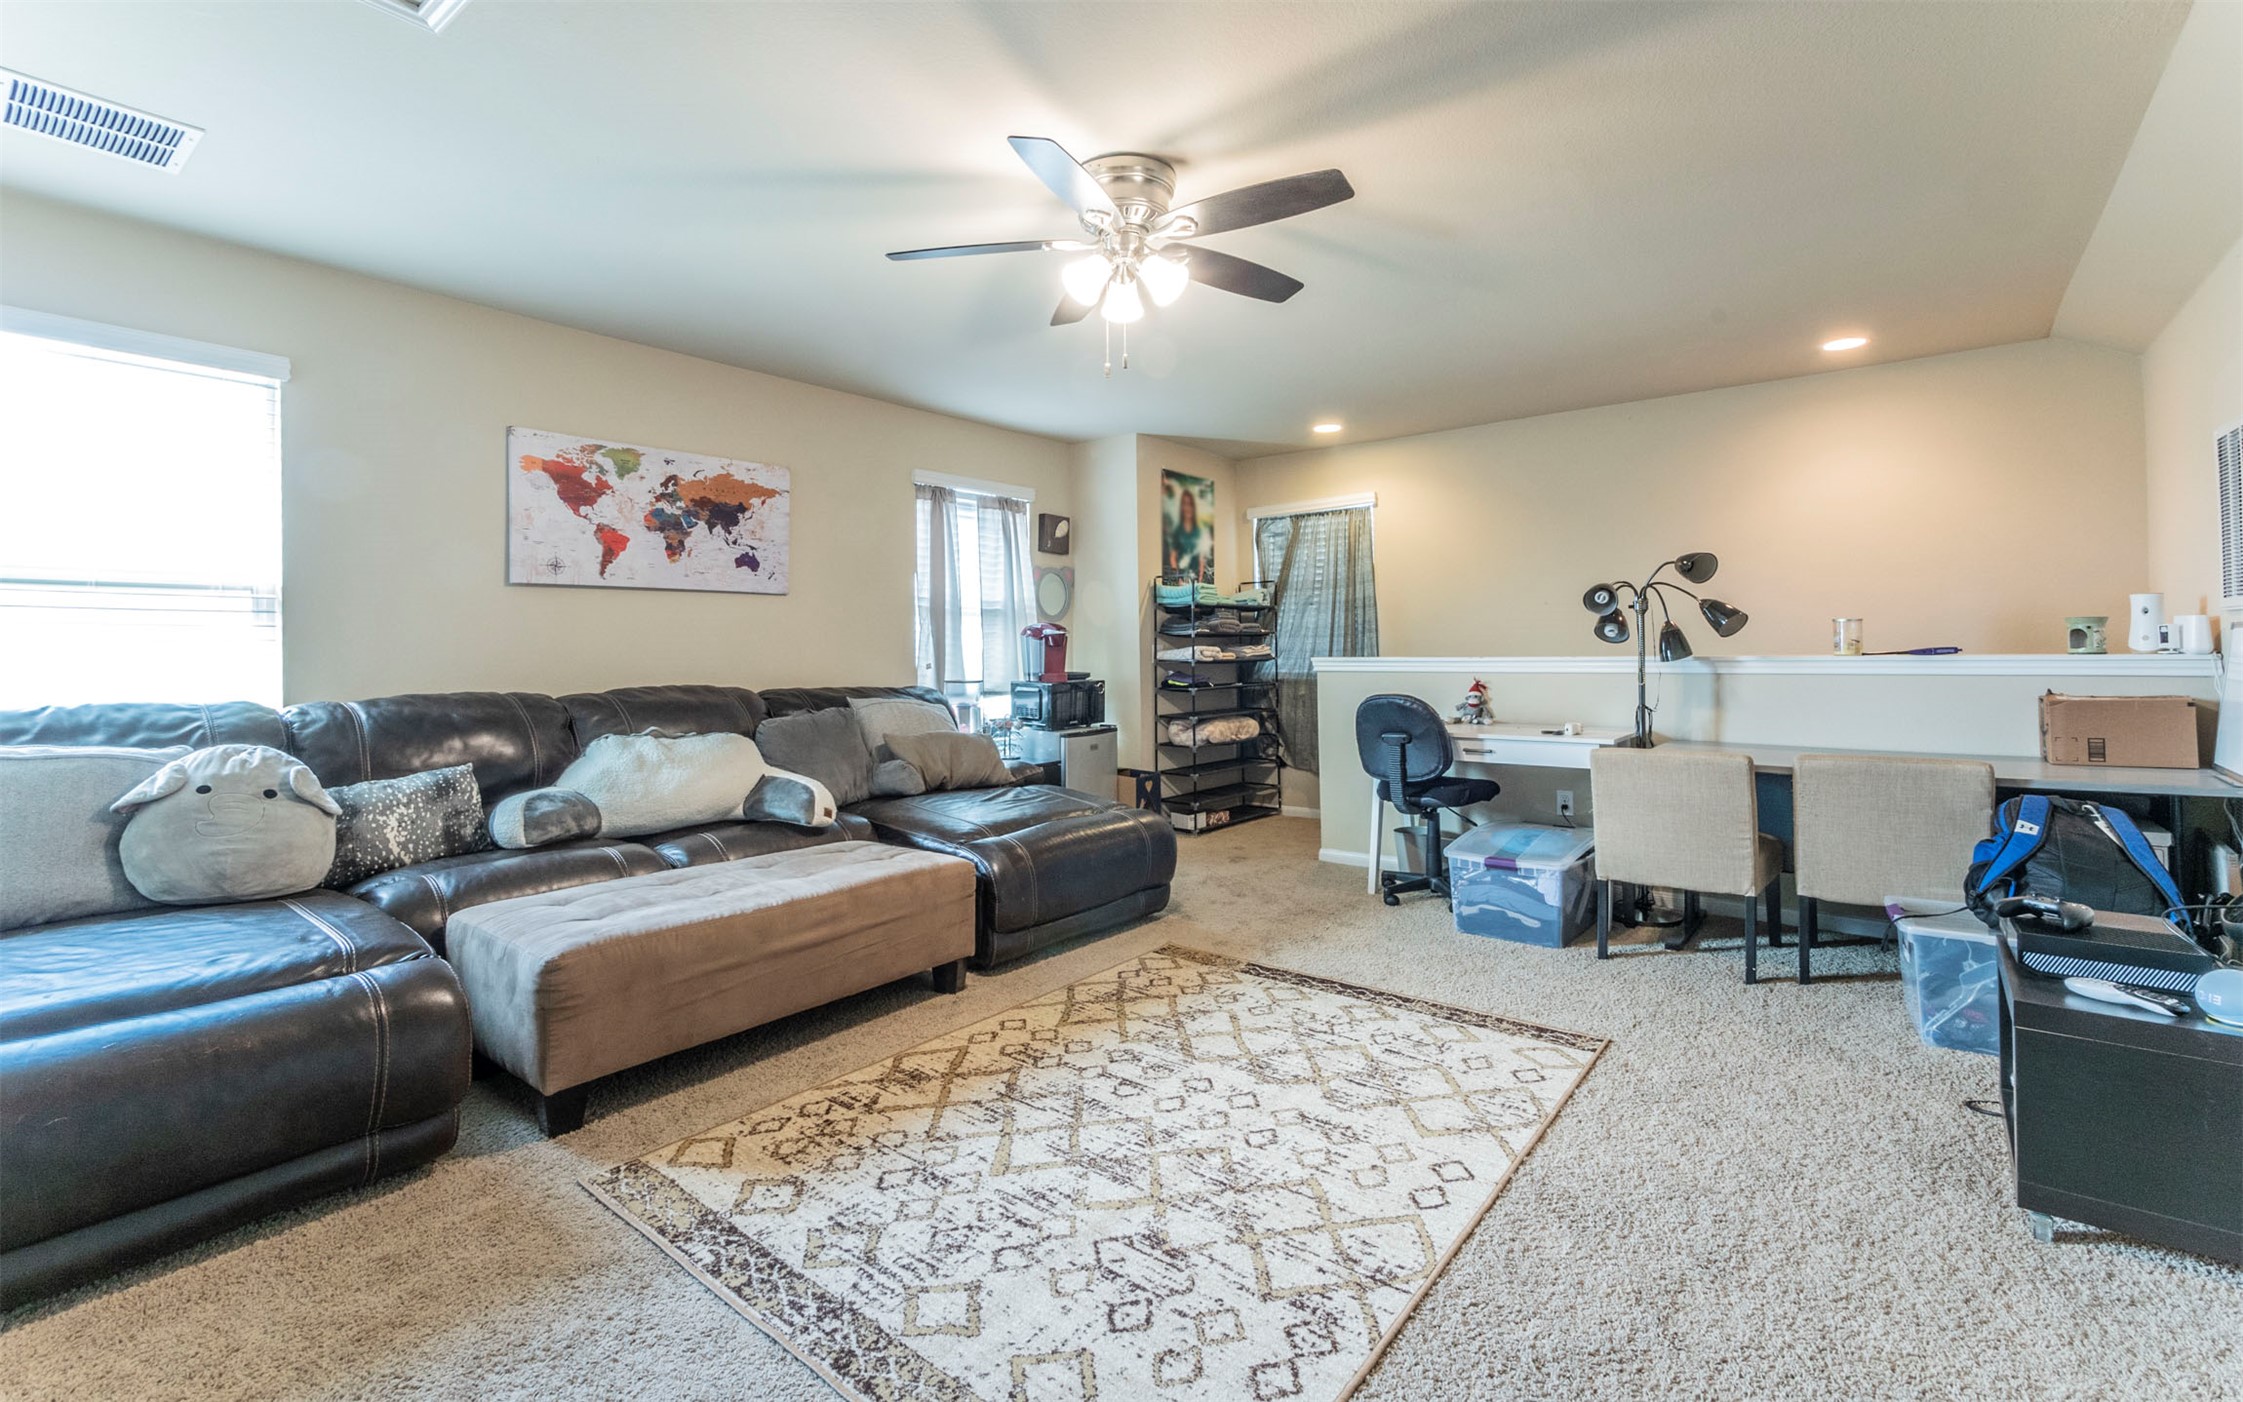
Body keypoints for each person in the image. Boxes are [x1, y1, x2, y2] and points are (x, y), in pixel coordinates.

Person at [1165, 484, 1211, 581]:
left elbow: (1201, 558)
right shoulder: (1178, 531)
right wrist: (1178, 579)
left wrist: (1200, 579)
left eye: (1190, 504)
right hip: (1181, 578)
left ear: (1193, 507)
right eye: (1185, 504)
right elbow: (1173, 557)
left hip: (1196, 580)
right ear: (1182, 507)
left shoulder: (1198, 531)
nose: (1187, 508)